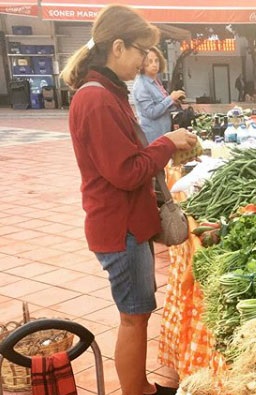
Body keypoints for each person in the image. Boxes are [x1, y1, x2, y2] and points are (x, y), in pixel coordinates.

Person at [60, 5, 197, 395]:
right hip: (119, 228)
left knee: (136, 313)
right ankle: (137, 392)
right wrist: (166, 144)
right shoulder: (96, 99)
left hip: (125, 223)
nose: (143, 61)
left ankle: (143, 388)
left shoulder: (106, 92)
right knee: (134, 317)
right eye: (140, 51)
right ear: (118, 47)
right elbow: (125, 172)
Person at [132, 46, 186, 143]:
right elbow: (151, 112)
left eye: (156, 61)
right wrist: (170, 98)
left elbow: (162, 106)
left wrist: (174, 101)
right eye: (150, 61)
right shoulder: (141, 85)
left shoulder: (156, 81)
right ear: (142, 63)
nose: (154, 64)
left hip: (164, 134)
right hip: (152, 138)